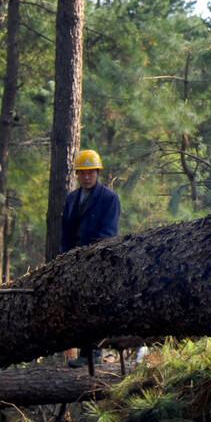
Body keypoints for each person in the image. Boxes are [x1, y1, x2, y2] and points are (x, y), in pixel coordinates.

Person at [61, 148, 120, 368]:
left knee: (95, 306)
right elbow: (66, 232)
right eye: (82, 173)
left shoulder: (109, 198)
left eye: (90, 173)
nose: (86, 177)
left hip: (97, 262)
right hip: (73, 263)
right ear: (77, 174)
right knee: (77, 308)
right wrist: (64, 259)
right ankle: (85, 353)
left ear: (97, 173)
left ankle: (95, 352)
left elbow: (109, 233)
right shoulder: (72, 199)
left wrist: (90, 256)